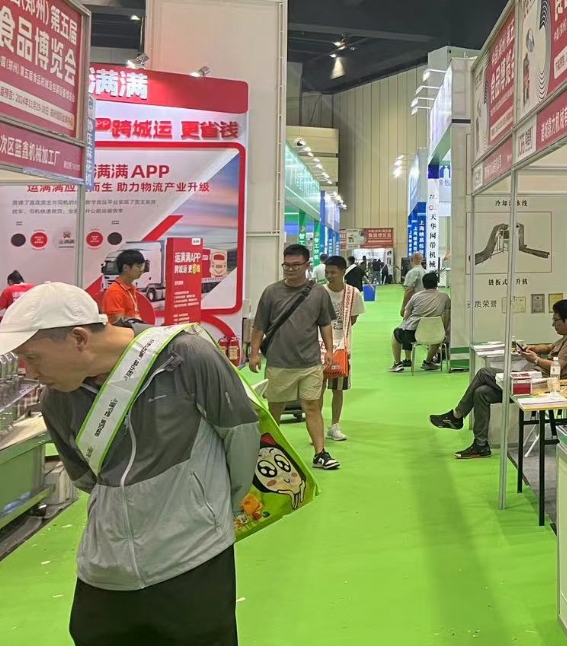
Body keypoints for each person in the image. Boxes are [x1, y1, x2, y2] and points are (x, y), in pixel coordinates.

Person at [3, 282, 258, 645]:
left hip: (193, 557)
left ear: (79, 338)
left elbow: (241, 439)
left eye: (32, 357)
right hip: (106, 568)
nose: (28, 371)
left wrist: (204, 510)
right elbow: (85, 477)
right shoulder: (57, 399)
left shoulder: (185, 357)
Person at [429, 299, 567, 460]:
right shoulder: (566, 338)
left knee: (484, 373)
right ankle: (480, 445)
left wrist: (536, 359)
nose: (553, 324)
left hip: (541, 386)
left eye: (556, 320)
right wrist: (533, 348)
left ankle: (457, 416)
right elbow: (550, 348)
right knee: (481, 392)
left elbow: (557, 366)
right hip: (534, 380)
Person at [248, 243, 340, 471]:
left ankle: (320, 453)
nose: (290, 269)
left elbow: (325, 323)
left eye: (295, 265)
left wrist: (329, 350)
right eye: (286, 265)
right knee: (275, 409)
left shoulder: (318, 293)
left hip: (310, 362)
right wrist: (254, 353)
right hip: (279, 363)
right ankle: (267, 451)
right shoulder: (271, 292)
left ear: (307, 265)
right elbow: (259, 326)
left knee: (312, 407)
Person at [320, 255, 364, 441]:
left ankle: (334, 426)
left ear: (343, 272)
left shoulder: (353, 293)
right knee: (317, 389)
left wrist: (338, 339)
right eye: (327, 272)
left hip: (342, 348)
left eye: (333, 272)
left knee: (338, 389)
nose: (329, 276)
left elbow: (353, 318)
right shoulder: (319, 292)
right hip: (318, 348)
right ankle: (317, 427)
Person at [390, 271, 451, 372]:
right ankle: (428, 362)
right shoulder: (445, 297)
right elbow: (447, 316)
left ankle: (397, 363)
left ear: (423, 284)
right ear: (437, 283)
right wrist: (443, 329)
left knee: (396, 334)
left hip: (413, 334)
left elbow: (406, 315)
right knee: (437, 336)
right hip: (435, 333)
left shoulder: (416, 296)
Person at [100, 249, 146, 325]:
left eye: (142, 266)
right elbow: (119, 323)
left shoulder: (130, 288)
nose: (141, 270)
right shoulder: (115, 292)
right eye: (138, 266)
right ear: (125, 268)